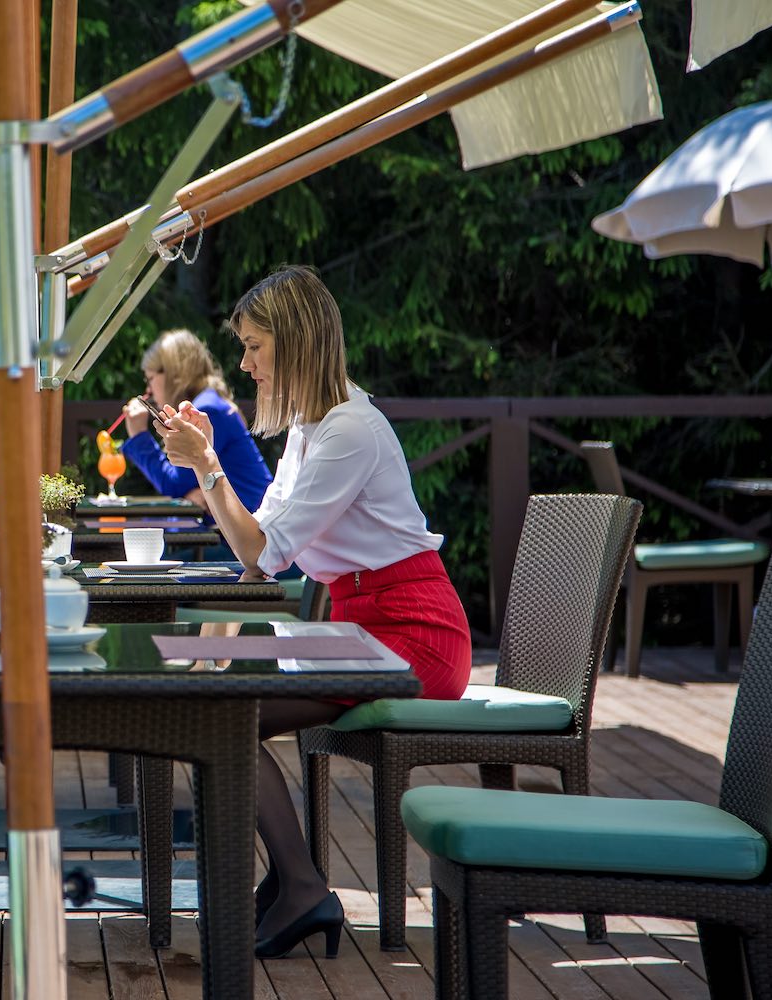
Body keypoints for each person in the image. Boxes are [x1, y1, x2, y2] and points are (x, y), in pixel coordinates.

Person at [153, 264, 471, 960]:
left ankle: (301, 887)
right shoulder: (310, 427)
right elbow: (259, 545)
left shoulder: (350, 431)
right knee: (201, 692)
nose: (245, 364)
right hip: (361, 629)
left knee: (221, 714)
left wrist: (208, 465)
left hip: (414, 637)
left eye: (254, 346)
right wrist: (216, 633)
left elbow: (263, 552)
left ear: (295, 341)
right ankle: (292, 882)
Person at [121, 328, 272, 513]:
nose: (148, 390)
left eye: (150, 378)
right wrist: (189, 494)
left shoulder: (205, 410)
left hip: (251, 524)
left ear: (172, 373)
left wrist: (139, 436)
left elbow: (174, 485)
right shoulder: (208, 401)